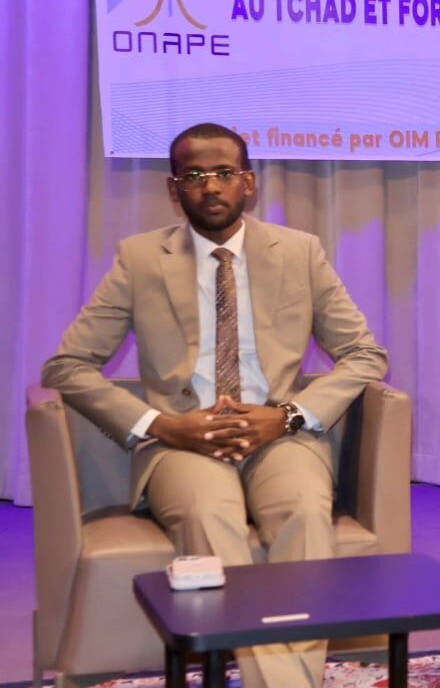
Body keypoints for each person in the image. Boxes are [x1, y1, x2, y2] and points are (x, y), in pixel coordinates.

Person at [42, 123, 388, 688]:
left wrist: (288, 416)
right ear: (173, 188)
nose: (210, 186)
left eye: (224, 173)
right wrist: (162, 426)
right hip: (184, 442)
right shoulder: (140, 259)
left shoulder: (299, 252)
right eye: (194, 175)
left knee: (305, 511)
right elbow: (67, 366)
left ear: (248, 182)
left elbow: (365, 354)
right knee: (209, 515)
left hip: (279, 434)